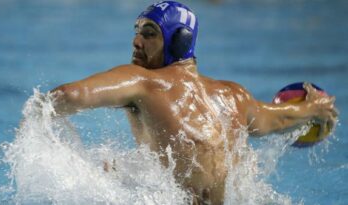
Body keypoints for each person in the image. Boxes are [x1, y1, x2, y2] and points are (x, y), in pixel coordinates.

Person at [50, 1, 337, 204]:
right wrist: (314, 109)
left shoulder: (144, 83)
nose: (136, 42)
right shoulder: (234, 96)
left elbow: (68, 96)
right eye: (136, 32)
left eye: (149, 33)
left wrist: (41, 109)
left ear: (179, 40)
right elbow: (277, 120)